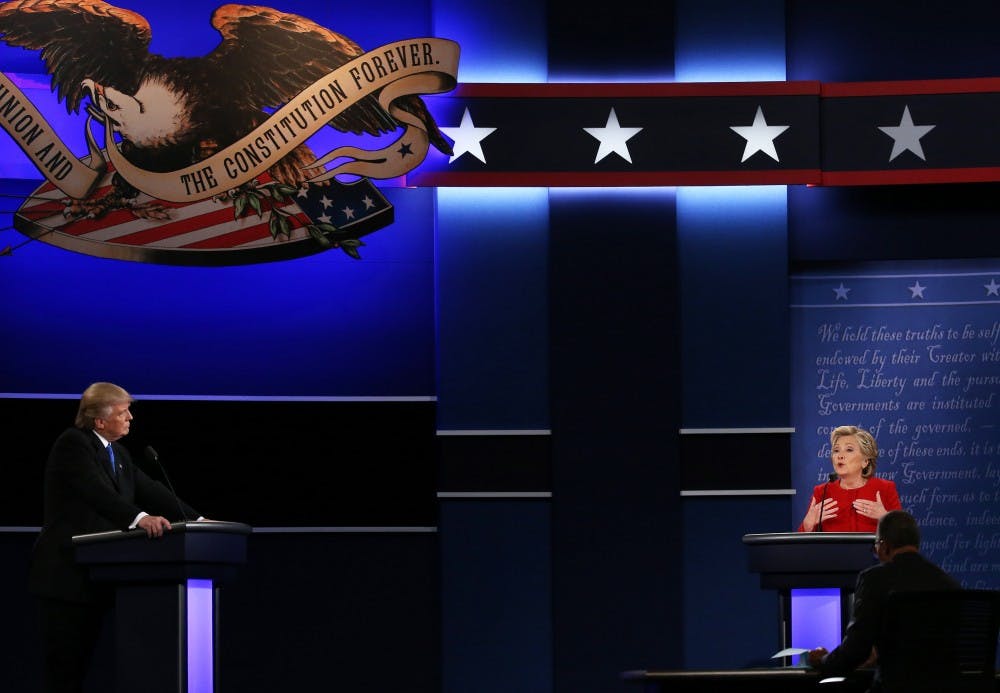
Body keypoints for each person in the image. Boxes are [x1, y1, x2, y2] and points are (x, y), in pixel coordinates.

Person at [29, 382, 201, 693]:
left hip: (102, 575)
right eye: (123, 412)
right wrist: (139, 518)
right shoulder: (73, 444)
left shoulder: (118, 453)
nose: (131, 418)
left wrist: (199, 520)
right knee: (66, 671)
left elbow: (151, 489)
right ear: (99, 421)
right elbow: (97, 493)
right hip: (66, 577)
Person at [807, 510, 960, 690]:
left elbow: (856, 650)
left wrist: (824, 660)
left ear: (885, 546)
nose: (877, 553)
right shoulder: (949, 584)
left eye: (876, 547)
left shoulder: (875, 579)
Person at [799, 425, 901, 532]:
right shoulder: (822, 492)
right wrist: (807, 526)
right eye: (836, 450)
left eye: (849, 450)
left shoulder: (885, 489)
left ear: (865, 461)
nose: (840, 456)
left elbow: (904, 539)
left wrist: (886, 518)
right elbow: (803, 545)